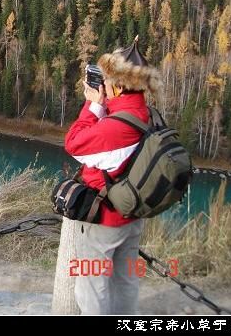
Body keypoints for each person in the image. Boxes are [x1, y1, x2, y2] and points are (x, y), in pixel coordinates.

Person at [64, 36, 162, 315]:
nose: (103, 85)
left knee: (92, 285)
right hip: (133, 215)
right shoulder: (146, 113)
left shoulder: (115, 127)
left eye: (107, 80)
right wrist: (106, 108)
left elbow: (75, 143)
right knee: (125, 279)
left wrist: (93, 107)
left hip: (105, 221)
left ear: (118, 86)